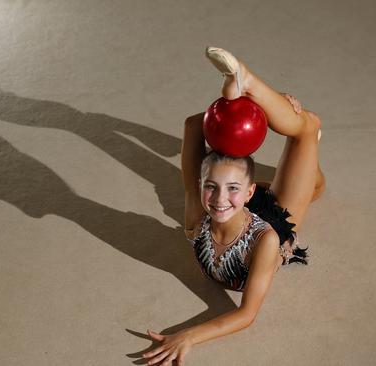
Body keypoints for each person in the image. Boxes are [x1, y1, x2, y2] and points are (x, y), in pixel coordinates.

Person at [142, 47, 325, 365]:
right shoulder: (198, 213)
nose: (219, 199)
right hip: (261, 205)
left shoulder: (265, 240)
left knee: (307, 131)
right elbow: (192, 125)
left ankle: (247, 80)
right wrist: (264, 109)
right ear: (200, 186)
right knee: (312, 167)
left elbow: (246, 314)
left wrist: (189, 336)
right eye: (210, 187)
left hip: (274, 215)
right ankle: (301, 144)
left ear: (250, 189)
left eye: (232, 189)